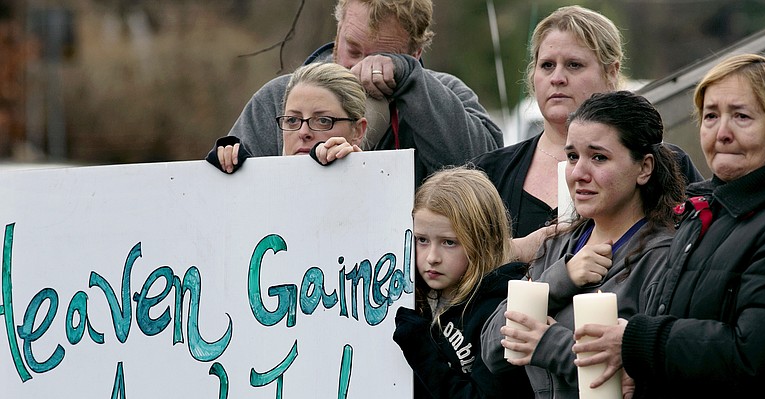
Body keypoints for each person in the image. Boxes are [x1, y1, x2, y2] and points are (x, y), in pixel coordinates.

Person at [572, 53, 765, 399]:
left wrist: (635, 343)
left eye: (742, 116)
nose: (723, 132)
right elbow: (691, 343)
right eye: (711, 115)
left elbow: (760, 354)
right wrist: (644, 372)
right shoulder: (701, 215)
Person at [481, 90, 686, 399]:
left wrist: (548, 341)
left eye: (599, 157)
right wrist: (562, 280)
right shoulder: (559, 248)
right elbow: (492, 348)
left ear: (644, 167)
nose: (579, 172)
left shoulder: (666, 254)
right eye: (572, 156)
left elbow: (634, 379)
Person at [469, 5, 702, 261]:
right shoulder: (491, 172)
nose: (557, 78)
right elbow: (449, 264)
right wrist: (517, 250)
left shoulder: (662, 162)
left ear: (612, 72)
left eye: (574, 65)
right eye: (547, 65)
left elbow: (698, 247)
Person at [208, 0, 502, 187]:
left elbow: (489, 174)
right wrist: (228, 163)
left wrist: (410, 80)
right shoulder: (277, 98)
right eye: (353, 50)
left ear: (415, 53)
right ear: (338, 34)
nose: (361, 70)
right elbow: (224, 200)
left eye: (382, 57)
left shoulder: (447, 94)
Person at [393, 166, 536, 399]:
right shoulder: (412, 298)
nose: (431, 258)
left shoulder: (499, 309)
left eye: (449, 243)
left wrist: (422, 350)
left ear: (482, 239)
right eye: (421, 240)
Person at [206, 62, 367, 168]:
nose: (303, 132)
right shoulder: (259, 188)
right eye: (292, 120)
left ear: (358, 131)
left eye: (323, 121)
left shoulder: (380, 188)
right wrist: (223, 172)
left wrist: (358, 173)